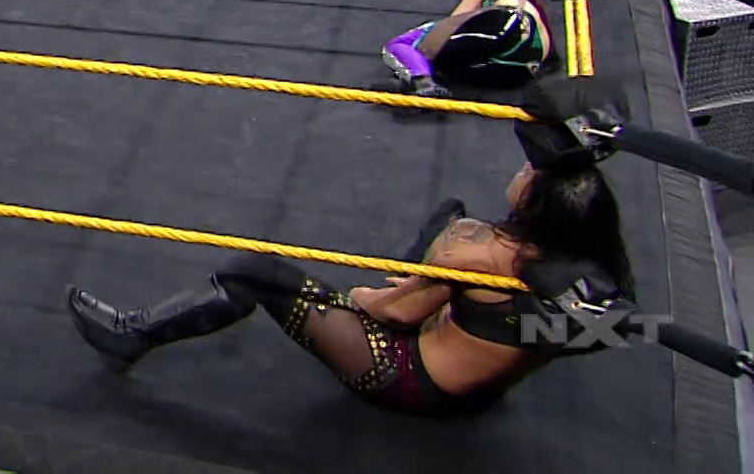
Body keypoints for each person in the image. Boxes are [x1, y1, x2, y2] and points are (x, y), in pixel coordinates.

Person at [67, 152, 633, 416]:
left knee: (259, 271)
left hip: (407, 377)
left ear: (536, 205)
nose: (524, 168)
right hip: (479, 395)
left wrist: (374, 296)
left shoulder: (485, 255)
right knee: (451, 213)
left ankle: (131, 336)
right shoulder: (587, 274)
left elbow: (391, 315)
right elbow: (601, 332)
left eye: (533, 174)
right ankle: (421, 284)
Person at [382, 0, 554, 98]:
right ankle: (421, 77)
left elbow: (453, 22)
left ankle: (421, 80)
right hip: (518, 74)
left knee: (400, 44)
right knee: (447, 66)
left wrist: (431, 41)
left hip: (507, 24)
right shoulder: (540, 23)